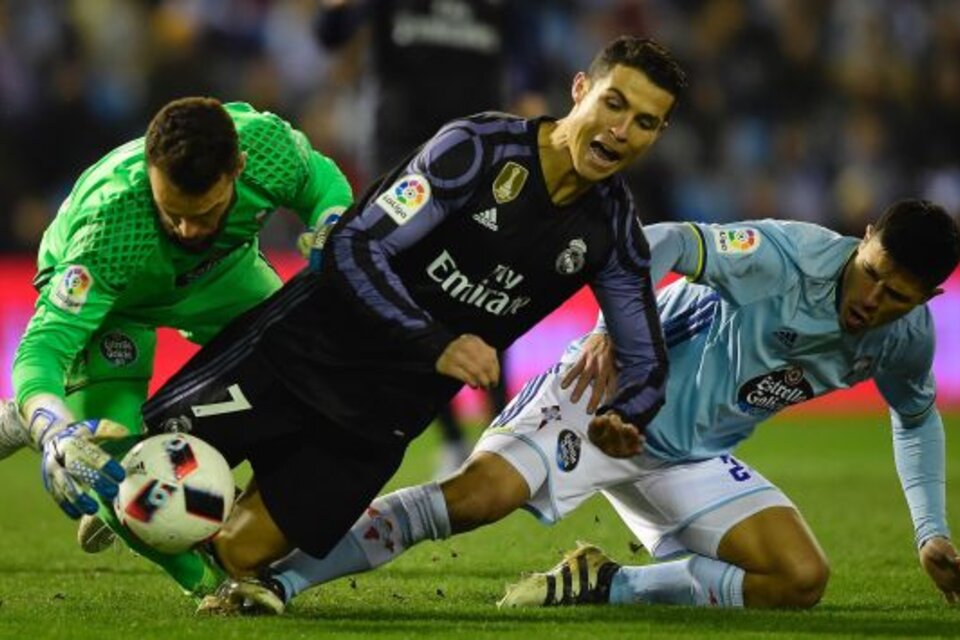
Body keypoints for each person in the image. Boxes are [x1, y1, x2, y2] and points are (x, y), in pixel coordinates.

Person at [121, 35, 684, 612]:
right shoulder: (479, 151)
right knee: (137, 465)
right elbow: (353, 247)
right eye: (614, 104)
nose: (621, 130)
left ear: (656, 134)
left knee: (240, 554)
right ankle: (50, 433)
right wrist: (433, 341)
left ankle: (220, 516)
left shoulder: (612, 234)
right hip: (302, 350)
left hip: (379, 417)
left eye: (644, 122)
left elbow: (644, 358)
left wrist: (626, 413)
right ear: (581, 89)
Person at [233, 198, 960, 614]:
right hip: (601, 395)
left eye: (896, 296)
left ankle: (608, 584)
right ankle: (284, 578)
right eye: (871, 275)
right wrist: (618, 328)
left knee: (800, 581)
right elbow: (663, 238)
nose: (872, 301)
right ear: (864, 242)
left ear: (927, 299)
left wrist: (930, 531)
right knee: (480, 497)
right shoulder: (788, 256)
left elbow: (916, 417)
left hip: (689, 452)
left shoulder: (907, 340)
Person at [0, 96, 353, 596]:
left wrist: (332, 222)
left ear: (239, 169)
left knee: (305, 378)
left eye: (206, 212)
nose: (188, 230)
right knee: (111, 467)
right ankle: (212, 585)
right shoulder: (109, 225)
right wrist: (55, 430)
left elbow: (321, 181)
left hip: (222, 278)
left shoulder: (267, 147)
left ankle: (250, 520)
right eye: (174, 214)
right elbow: (42, 349)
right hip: (115, 309)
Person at [316, 0, 549, 474]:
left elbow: (528, 56)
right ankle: (450, 438)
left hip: (479, 153)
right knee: (416, 289)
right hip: (401, 155)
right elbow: (331, 33)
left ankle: (497, 429)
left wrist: (531, 99)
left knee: (483, 285)